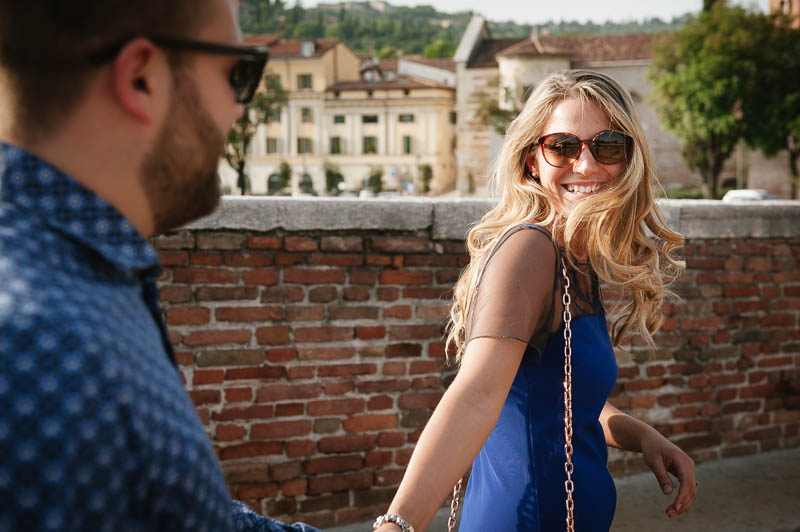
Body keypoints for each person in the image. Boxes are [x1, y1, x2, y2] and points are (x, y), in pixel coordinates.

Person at [0, 2, 318, 531]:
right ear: (142, 77)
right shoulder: (52, 351)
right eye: (236, 73)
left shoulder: (79, 280)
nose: (239, 110)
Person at [373, 70, 697, 532]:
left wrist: (641, 435)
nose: (584, 165)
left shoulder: (576, 260)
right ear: (532, 160)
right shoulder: (530, 249)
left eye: (606, 146)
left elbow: (552, 395)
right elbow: (476, 394)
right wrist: (397, 525)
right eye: (562, 146)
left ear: (629, 161)